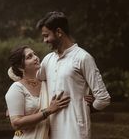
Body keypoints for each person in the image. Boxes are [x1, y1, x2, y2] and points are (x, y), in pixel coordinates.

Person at [36, 11, 111, 139]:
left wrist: (89, 108)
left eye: (46, 36)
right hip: (52, 131)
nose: (45, 40)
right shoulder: (48, 60)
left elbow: (103, 98)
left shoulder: (83, 58)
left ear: (59, 32)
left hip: (76, 131)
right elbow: (33, 79)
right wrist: (18, 104)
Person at [5, 45, 70, 139]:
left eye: (34, 54)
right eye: (29, 57)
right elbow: (16, 124)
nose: (35, 58)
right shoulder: (17, 88)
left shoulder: (46, 83)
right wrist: (48, 110)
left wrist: (85, 99)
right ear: (20, 67)